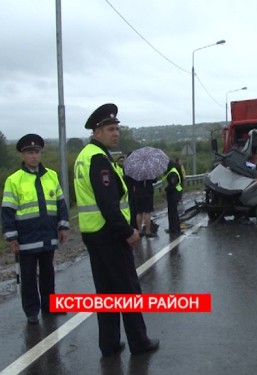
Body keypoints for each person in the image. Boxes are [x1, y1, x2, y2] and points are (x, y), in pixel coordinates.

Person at [74, 103, 159, 356]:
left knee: (107, 292)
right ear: (96, 131)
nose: (116, 133)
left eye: (117, 129)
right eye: (110, 129)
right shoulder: (98, 159)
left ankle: (109, 344)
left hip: (93, 234)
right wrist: (127, 231)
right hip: (109, 234)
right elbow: (108, 203)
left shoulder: (84, 156)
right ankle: (139, 343)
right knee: (128, 289)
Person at [1, 134, 69, 325]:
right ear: (23, 155)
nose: (34, 156)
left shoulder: (51, 175)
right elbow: (7, 211)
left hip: (48, 234)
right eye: (30, 152)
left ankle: (50, 306)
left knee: (48, 273)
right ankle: (32, 311)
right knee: (29, 276)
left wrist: (63, 226)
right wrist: (11, 237)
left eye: (37, 152)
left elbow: (61, 204)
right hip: (26, 237)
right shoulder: (14, 180)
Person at [163, 160, 183, 235]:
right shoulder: (173, 171)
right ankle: (174, 228)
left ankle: (174, 229)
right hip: (176, 194)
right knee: (173, 212)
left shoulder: (172, 173)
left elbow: (172, 184)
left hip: (174, 194)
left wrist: (166, 189)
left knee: (173, 213)